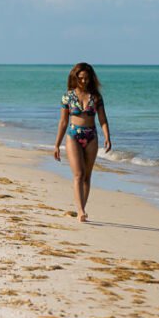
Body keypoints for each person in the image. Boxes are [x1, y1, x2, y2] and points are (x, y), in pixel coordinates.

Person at [54, 62, 112, 222]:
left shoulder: (96, 97)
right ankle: (80, 210)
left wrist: (107, 136)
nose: (84, 81)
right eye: (80, 78)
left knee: (87, 175)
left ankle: (82, 209)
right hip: (73, 135)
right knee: (78, 174)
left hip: (91, 136)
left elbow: (103, 119)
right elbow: (63, 122)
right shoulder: (67, 96)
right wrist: (57, 144)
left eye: (86, 78)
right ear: (75, 78)